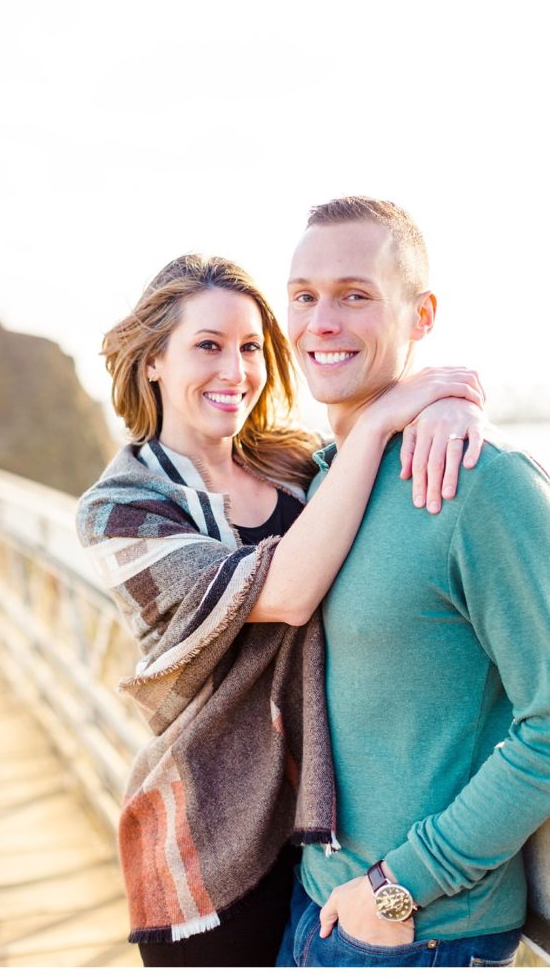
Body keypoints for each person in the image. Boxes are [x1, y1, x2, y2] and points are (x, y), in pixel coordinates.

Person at [76, 251, 488, 967]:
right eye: (208, 346)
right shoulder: (120, 511)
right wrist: (388, 413)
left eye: (249, 347)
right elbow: (288, 594)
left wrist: (447, 403)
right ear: (153, 362)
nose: (235, 370)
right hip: (213, 834)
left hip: (323, 829)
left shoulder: (296, 465)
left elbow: (384, 475)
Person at [275, 196, 550, 969]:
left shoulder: (486, 487)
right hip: (312, 906)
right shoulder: (320, 485)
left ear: (421, 314)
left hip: (413, 931)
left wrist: (397, 887)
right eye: (304, 296)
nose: (321, 320)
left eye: (355, 295)